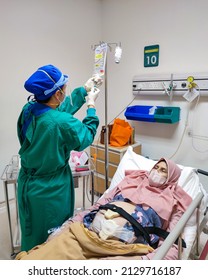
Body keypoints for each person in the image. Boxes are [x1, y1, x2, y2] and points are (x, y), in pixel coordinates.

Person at [16, 157, 192, 260]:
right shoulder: (132, 181)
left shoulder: (174, 201)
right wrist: (70, 223)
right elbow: (99, 204)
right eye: (156, 167)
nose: (157, 172)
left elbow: (173, 241)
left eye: (163, 171)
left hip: (122, 249)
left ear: (172, 178)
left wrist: (148, 261)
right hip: (87, 233)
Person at [17, 64, 103, 251]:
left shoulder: (29, 109)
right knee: (52, 238)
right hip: (51, 190)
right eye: (64, 88)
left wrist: (84, 90)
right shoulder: (60, 123)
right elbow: (86, 135)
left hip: (27, 184)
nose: (66, 91)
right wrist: (91, 107)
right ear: (57, 94)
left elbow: (56, 112)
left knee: (32, 235)